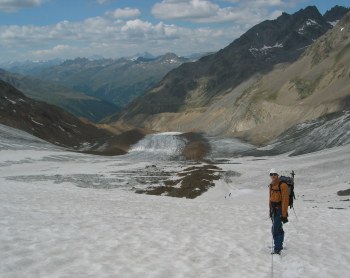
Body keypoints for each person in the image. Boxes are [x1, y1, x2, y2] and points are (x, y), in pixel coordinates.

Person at [269, 168, 289, 255]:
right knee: (278, 228)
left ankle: (277, 249)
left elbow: (285, 200)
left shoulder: (283, 185)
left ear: (277, 174)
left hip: (280, 210)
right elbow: (270, 199)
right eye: (271, 174)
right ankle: (278, 245)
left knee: (275, 229)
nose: (273, 176)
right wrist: (270, 210)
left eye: (274, 174)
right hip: (273, 210)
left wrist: (284, 214)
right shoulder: (271, 185)